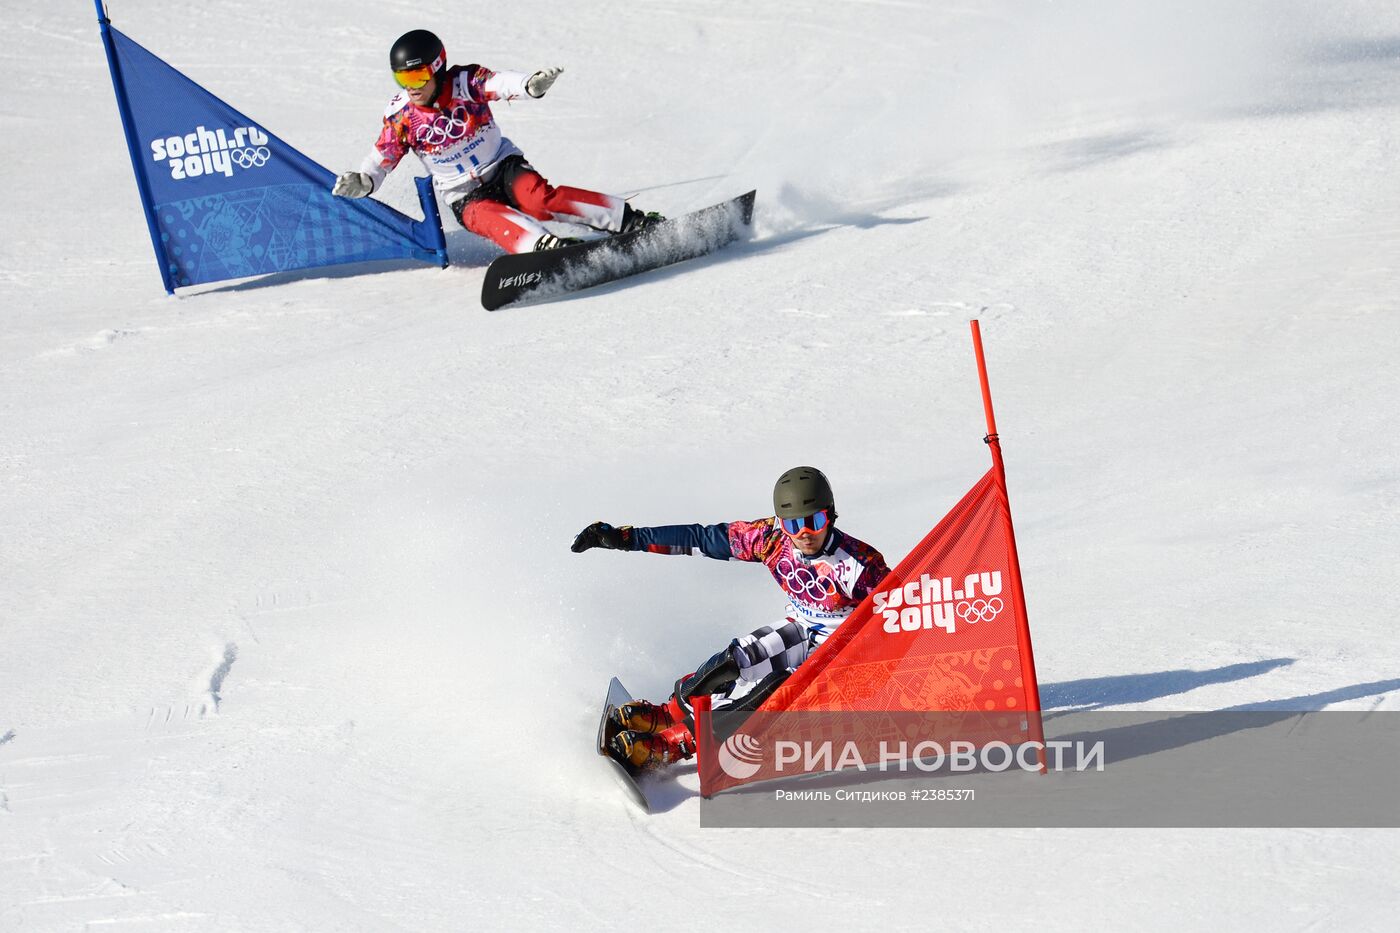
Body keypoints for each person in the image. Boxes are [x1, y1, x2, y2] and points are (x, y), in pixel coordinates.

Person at [571, 467, 890, 770]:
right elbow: (700, 538)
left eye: (815, 521)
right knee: (736, 658)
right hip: (803, 629)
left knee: (775, 686)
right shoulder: (769, 538)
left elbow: (910, 612)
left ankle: (675, 744)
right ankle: (669, 713)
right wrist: (624, 539)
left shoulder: (861, 564)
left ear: (831, 515)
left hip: (841, 656)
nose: (805, 534)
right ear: (781, 523)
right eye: (794, 525)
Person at [332, 29, 661, 254]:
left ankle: (627, 219)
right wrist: (365, 179)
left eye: (417, 77)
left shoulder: (465, 82)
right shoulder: (402, 116)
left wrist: (528, 85)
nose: (412, 87)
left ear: (436, 69)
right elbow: (383, 154)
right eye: (403, 79)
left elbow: (498, 83)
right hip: (462, 193)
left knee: (539, 200)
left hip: (503, 167)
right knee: (492, 218)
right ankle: (540, 248)